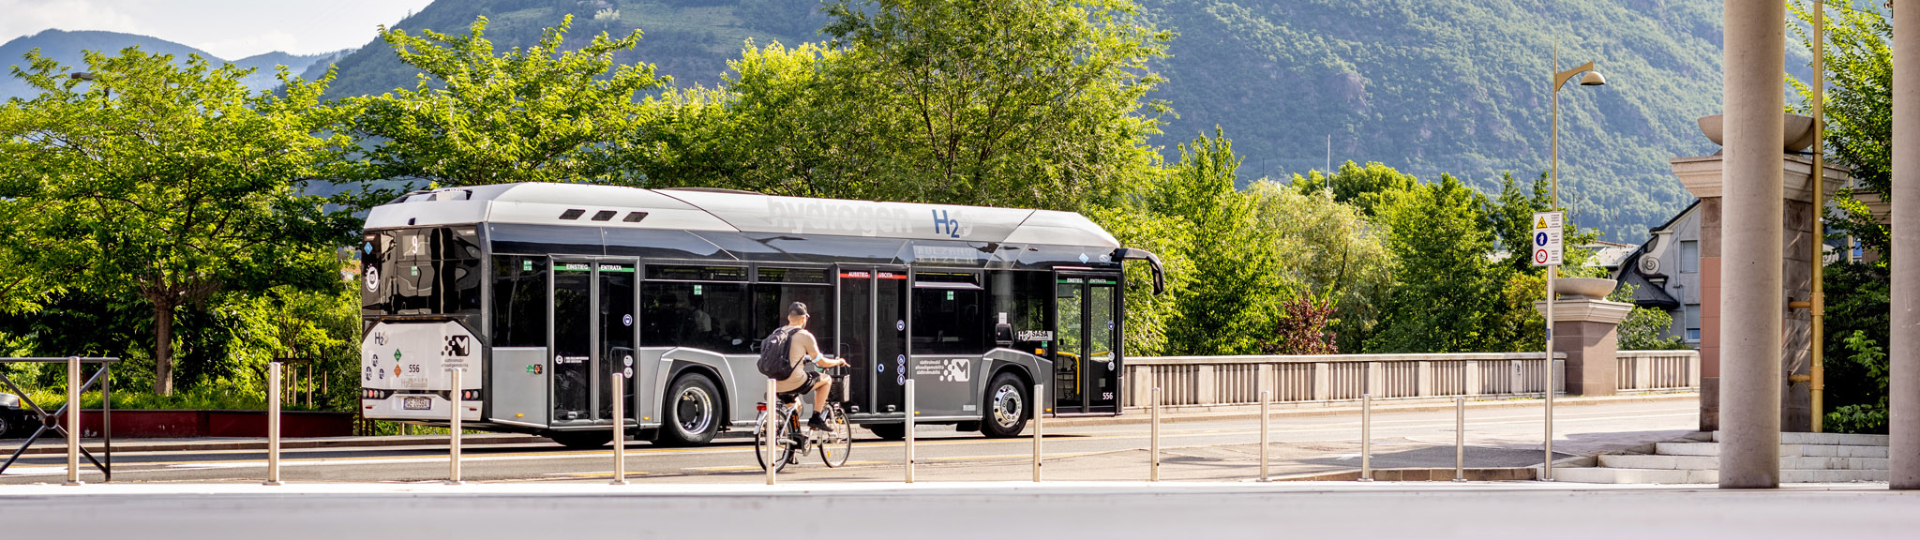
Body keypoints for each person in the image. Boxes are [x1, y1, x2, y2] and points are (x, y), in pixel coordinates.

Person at [774, 301, 847, 431]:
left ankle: (794, 436)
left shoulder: (777, 332)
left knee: (796, 405)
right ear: (803, 318)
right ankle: (816, 418)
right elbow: (821, 362)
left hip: (775, 383)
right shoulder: (805, 335)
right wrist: (838, 361)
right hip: (795, 381)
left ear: (789, 318)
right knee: (826, 380)